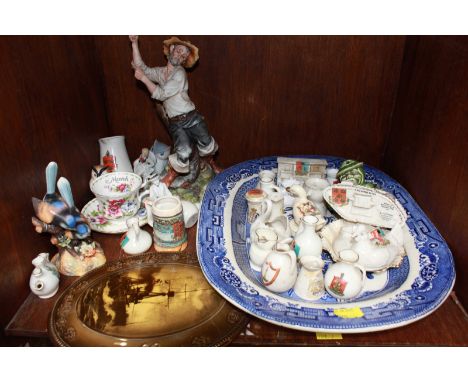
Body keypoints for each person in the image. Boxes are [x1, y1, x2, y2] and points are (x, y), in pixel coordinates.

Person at [129, 35, 219, 186]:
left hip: (191, 117)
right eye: (178, 51)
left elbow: (161, 93)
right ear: (171, 49)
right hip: (176, 122)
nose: (180, 56)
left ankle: (210, 164)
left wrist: (144, 79)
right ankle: (171, 176)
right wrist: (134, 43)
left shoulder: (180, 73)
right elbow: (141, 67)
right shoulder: (161, 72)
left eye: (184, 56)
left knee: (206, 142)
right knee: (183, 151)